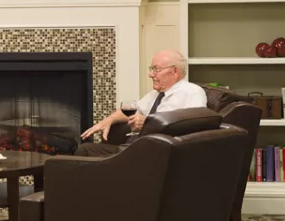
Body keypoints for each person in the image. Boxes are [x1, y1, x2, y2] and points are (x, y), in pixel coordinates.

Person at [75, 49, 207, 157]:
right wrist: (108, 120)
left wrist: (149, 124)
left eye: (156, 69)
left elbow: (194, 129)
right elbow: (132, 109)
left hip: (155, 154)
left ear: (174, 71)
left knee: (84, 152)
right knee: (83, 150)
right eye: (152, 69)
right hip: (135, 148)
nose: (150, 74)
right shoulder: (156, 94)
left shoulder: (192, 92)